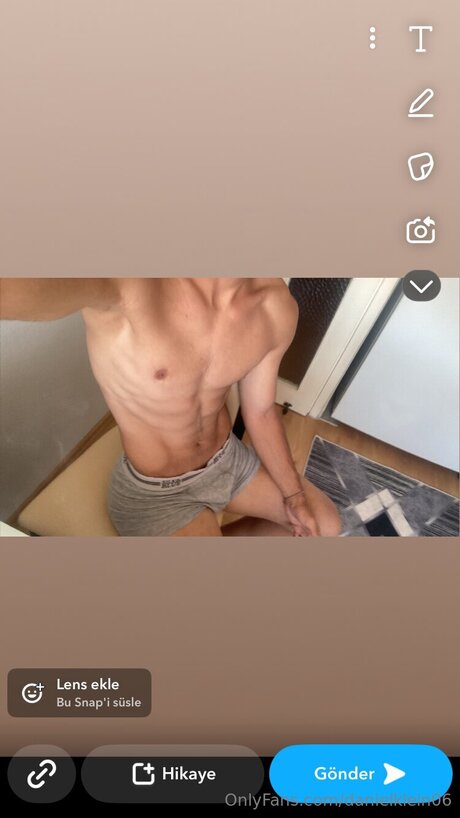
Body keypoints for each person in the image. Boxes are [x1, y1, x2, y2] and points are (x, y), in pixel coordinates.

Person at [1, 278, 341, 537]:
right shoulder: (132, 282)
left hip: (227, 462)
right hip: (155, 493)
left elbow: (262, 411)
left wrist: (295, 496)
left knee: (325, 524)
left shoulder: (275, 306)